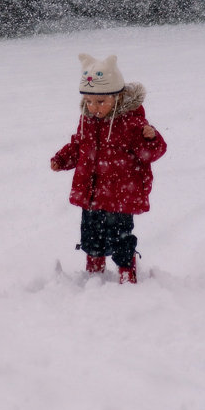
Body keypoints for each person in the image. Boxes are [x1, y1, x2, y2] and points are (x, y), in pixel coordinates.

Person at [50, 54, 167, 283]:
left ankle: (127, 271)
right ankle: (94, 270)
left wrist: (151, 138)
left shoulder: (131, 123)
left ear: (117, 97)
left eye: (101, 102)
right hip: (92, 194)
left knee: (120, 238)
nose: (94, 107)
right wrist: (63, 159)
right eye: (89, 102)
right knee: (91, 236)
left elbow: (153, 152)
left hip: (121, 195)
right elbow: (79, 145)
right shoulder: (87, 120)